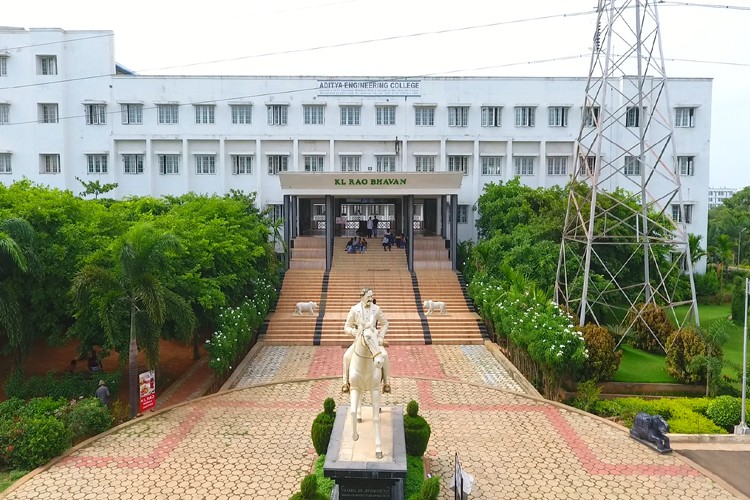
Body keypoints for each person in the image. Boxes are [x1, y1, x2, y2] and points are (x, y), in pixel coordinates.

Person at [342, 288, 391, 394]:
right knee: (346, 356)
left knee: (385, 355)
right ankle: (345, 383)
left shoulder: (376, 309)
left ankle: (386, 382)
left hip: (373, 341)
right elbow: (346, 326)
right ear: (362, 297)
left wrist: (381, 337)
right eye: (368, 297)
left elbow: (385, 323)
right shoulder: (354, 309)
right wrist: (352, 332)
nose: (370, 299)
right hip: (359, 341)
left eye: (371, 296)